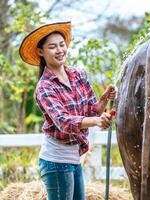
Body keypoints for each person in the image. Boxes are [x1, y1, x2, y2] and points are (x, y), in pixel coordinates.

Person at [19, 21, 116, 200]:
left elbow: (92, 110)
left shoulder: (78, 75)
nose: (59, 50)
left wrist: (104, 99)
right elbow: (63, 121)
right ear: (41, 52)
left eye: (62, 45)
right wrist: (96, 121)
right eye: (52, 47)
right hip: (56, 162)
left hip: (73, 159)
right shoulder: (45, 87)